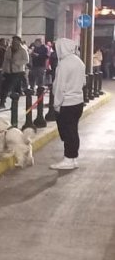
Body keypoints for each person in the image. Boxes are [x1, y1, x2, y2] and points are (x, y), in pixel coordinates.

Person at [50, 38, 86, 170]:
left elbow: (60, 87)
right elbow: (83, 83)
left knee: (67, 132)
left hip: (67, 103)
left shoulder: (64, 64)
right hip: (78, 102)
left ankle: (68, 159)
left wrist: (56, 104)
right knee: (73, 131)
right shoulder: (79, 62)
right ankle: (73, 157)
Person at [2, 36, 29, 100]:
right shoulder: (9, 49)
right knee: (5, 87)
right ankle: (2, 101)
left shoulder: (23, 50)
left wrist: (16, 62)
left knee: (15, 88)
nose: (14, 42)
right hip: (8, 71)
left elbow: (26, 60)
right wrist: (3, 69)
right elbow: (5, 59)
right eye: (13, 40)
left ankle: (14, 103)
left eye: (16, 40)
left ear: (19, 41)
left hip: (18, 71)